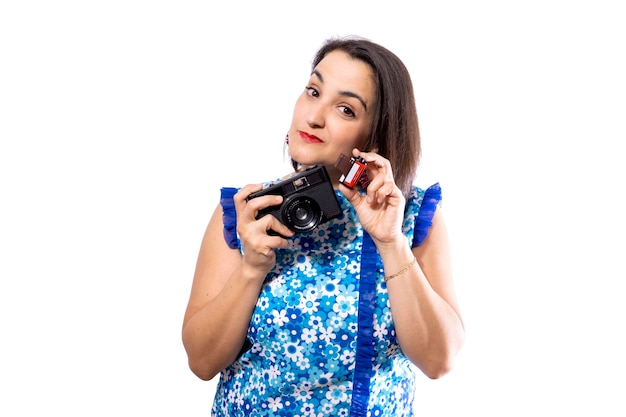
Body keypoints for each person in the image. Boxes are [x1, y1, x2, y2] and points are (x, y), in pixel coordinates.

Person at [182, 35, 465, 416]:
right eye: (313, 91)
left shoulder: (410, 218)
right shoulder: (247, 213)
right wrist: (251, 268)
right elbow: (201, 362)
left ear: (375, 136)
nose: (314, 116)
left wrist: (390, 242)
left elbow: (438, 360)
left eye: (345, 109)